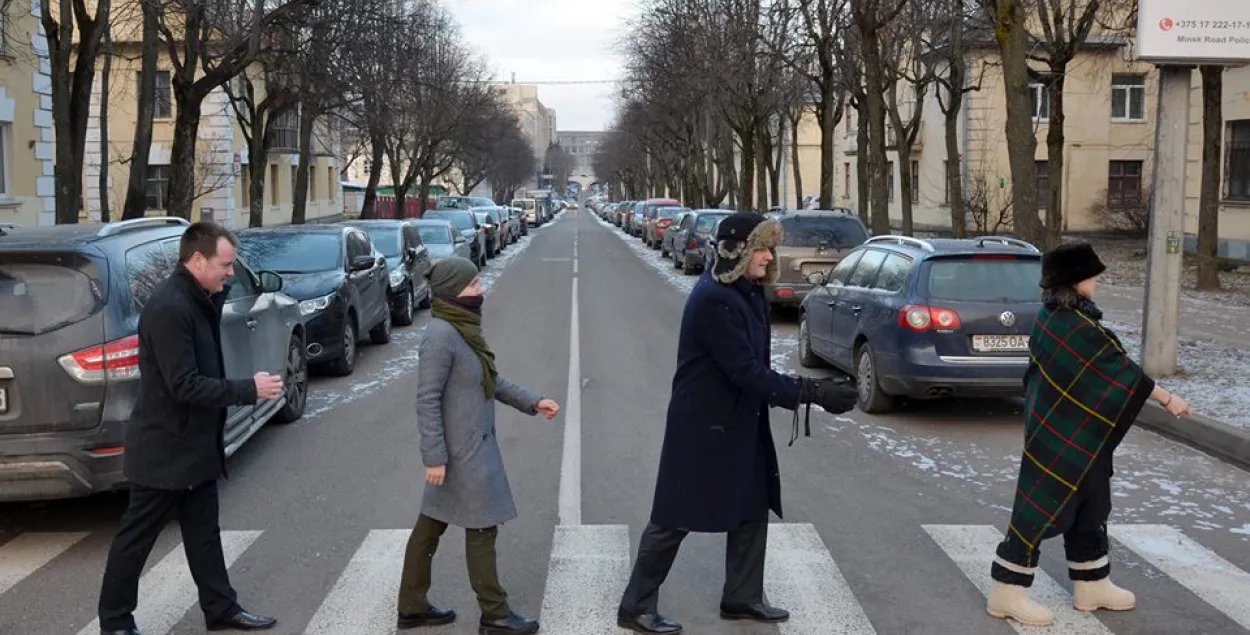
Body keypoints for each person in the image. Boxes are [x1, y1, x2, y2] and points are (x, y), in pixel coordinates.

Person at [616, 212, 859, 634]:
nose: (769, 257)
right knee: (674, 516)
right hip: (702, 427)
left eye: (770, 248)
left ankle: (742, 596)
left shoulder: (747, 292)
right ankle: (635, 606)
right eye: (761, 249)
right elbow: (746, 371)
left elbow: (753, 371)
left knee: (751, 505)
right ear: (737, 253)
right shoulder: (714, 299)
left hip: (740, 419)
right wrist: (814, 392)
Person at [987, 242, 1191, 627]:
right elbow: (1120, 371)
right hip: (1059, 437)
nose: (1096, 281)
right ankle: (1007, 592)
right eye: (1091, 276)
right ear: (1074, 281)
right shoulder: (1070, 325)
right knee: (1038, 510)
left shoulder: (1061, 318)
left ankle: (1092, 583)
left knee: (1091, 506)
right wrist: (1168, 399)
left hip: (1080, 436)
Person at [97, 221, 285, 635]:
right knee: (136, 541)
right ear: (197, 260)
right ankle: (114, 622)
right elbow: (183, 384)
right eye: (225, 265)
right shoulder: (169, 308)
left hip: (194, 445)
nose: (231, 273)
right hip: (164, 450)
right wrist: (247, 389)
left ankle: (220, 609)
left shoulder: (197, 297)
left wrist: (216, 297)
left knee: (204, 535)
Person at [396, 257, 560, 635]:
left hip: (466, 450)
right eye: (472, 286)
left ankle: (413, 605)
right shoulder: (440, 336)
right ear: (453, 291)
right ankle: (495, 614)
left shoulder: (461, 329)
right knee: (482, 528)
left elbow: (491, 381)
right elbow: (427, 400)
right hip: (460, 454)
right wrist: (434, 457)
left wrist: (533, 401)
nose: (480, 290)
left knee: (430, 527)